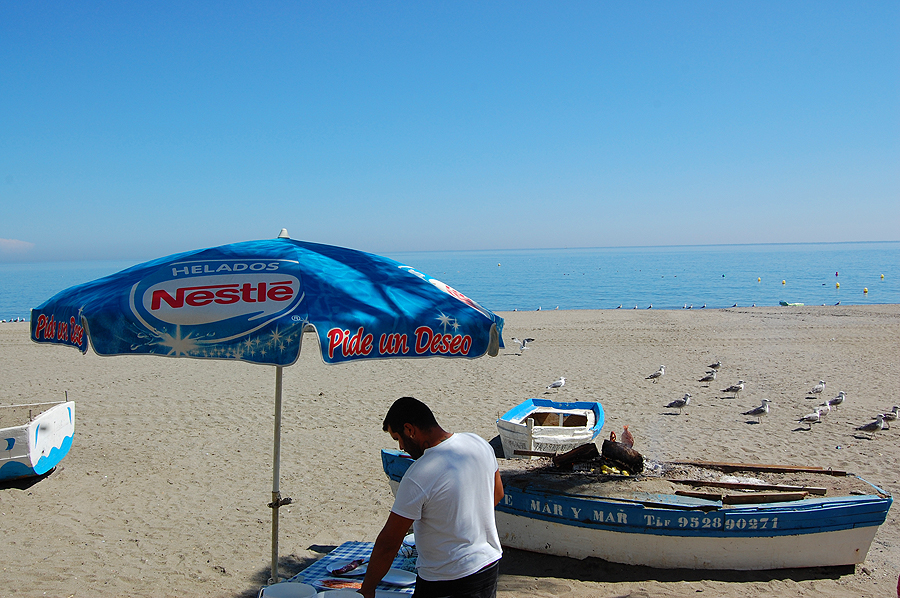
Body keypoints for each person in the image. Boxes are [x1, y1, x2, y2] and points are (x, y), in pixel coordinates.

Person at [359, 397, 504, 598]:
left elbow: (389, 542)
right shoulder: (478, 443)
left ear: (410, 429)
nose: (401, 447)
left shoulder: (419, 473)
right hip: (488, 565)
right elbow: (497, 495)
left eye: (398, 438)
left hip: (446, 580)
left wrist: (367, 589)